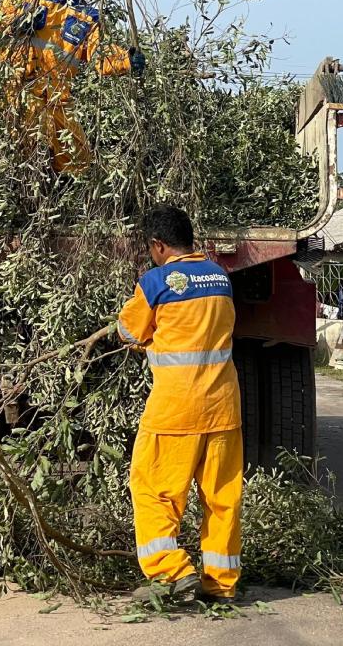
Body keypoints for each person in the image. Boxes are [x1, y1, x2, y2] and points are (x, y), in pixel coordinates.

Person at [116, 205, 242, 605]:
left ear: (158, 245)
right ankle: (220, 584)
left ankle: (173, 569)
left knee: (152, 488)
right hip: (224, 408)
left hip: (175, 409)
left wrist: (146, 337)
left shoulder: (155, 283)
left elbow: (127, 331)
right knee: (222, 497)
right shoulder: (221, 278)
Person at [0, 0, 145, 171]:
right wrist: (18, 22)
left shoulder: (86, 15)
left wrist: (127, 61)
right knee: (24, 157)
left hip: (59, 96)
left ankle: (61, 196)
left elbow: (101, 57)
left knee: (78, 161)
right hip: (20, 91)